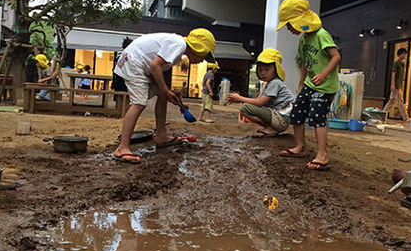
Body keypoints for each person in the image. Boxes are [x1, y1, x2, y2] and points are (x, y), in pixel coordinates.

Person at [112, 28, 216, 164]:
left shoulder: (178, 50)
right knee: (139, 103)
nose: (203, 61)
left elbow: (155, 69)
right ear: (199, 48)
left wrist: (167, 91)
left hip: (138, 63)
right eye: (206, 56)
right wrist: (165, 90)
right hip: (133, 63)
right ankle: (122, 147)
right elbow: (155, 65)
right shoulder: (179, 44)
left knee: (162, 95)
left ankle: (161, 135)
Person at [277, 0, 340, 171]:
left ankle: (322, 155)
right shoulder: (303, 39)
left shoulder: (321, 35)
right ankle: (300, 147)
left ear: (299, 20)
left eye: (289, 24)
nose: (289, 29)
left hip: (325, 85)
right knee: (297, 113)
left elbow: (336, 56)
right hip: (309, 84)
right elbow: (304, 62)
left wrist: (323, 74)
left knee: (317, 117)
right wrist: (300, 84)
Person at [226, 48, 294, 137]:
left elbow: (259, 102)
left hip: (281, 119)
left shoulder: (275, 83)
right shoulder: (268, 84)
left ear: (276, 69)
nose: (263, 73)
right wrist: (238, 100)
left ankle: (271, 128)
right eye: (260, 70)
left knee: (245, 108)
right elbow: (257, 102)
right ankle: (271, 128)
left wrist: (239, 98)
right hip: (279, 118)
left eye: (267, 70)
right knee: (245, 108)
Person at [384, 48, 410, 123]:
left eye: (405, 54)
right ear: (399, 55)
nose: (404, 55)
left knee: (391, 101)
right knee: (400, 102)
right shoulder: (396, 63)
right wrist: (393, 85)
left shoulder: (403, 64)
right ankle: (405, 118)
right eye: (403, 54)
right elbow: (393, 74)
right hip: (396, 86)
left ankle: (382, 114)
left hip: (399, 85)